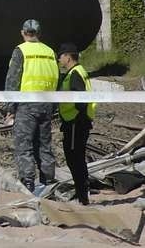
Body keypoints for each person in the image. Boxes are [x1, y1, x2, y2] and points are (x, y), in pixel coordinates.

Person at [3, 19, 59, 193]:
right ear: (39, 33)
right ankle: (48, 182)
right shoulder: (49, 51)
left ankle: (28, 182)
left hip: (27, 105)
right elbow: (56, 77)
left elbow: (13, 79)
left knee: (24, 145)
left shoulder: (21, 51)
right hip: (46, 103)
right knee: (44, 145)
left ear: (23, 32)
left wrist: (10, 108)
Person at [57, 42, 95, 205]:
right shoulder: (77, 71)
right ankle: (82, 195)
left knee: (75, 159)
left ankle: (82, 197)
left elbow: (80, 98)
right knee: (77, 158)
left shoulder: (75, 74)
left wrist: (75, 117)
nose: (59, 59)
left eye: (60, 56)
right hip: (77, 121)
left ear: (68, 56)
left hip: (75, 122)